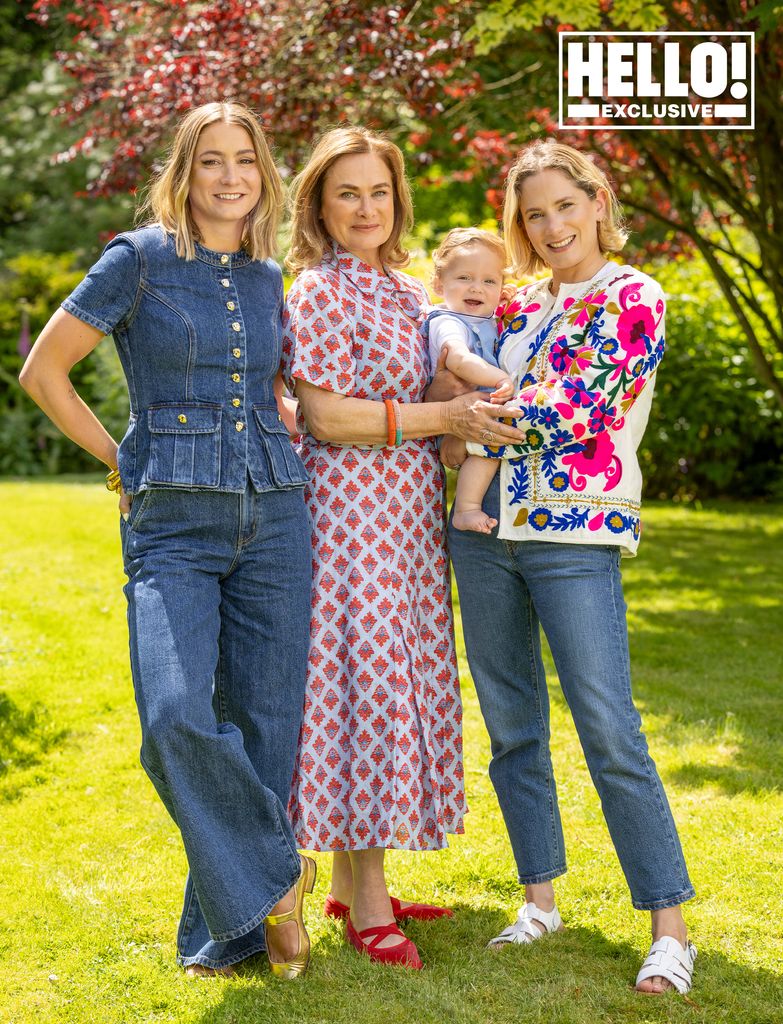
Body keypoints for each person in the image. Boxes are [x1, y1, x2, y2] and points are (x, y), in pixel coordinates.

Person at [19, 101, 317, 979]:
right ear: (182, 174)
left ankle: (228, 934)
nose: (231, 178)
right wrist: (120, 460)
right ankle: (279, 873)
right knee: (174, 714)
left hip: (274, 512)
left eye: (247, 162)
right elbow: (45, 371)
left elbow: (267, 389)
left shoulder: (267, 278)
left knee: (265, 724)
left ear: (263, 176)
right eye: (211, 161)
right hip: (172, 520)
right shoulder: (136, 259)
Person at [442, 140, 697, 995]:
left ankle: (669, 928)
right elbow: (467, 389)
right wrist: (465, 417)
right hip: (482, 537)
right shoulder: (516, 309)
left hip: (573, 536)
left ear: (595, 200)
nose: (550, 227)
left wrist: (470, 416)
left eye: (562, 206)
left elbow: (580, 411)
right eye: (533, 214)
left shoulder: (634, 296)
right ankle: (539, 900)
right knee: (512, 727)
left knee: (607, 727)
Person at [281, 126, 526, 969]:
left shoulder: (403, 289)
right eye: (346, 192)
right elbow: (328, 417)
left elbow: (418, 387)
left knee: (394, 678)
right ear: (318, 202)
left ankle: (354, 886)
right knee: (364, 685)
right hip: (347, 516)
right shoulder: (316, 290)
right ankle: (368, 904)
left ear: (398, 200)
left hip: (410, 516)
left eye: (378, 191)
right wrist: (445, 418)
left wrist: (470, 395)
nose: (365, 207)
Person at [424, 228, 515, 534]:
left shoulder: (484, 319)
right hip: (460, 411)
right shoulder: (446, 321)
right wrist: (501, 377)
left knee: (491, 443)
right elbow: (459, 359)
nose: (477, 288)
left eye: (489, 281)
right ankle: (466, 508)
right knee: (489, 445)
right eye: (464, 278)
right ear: (439, 284)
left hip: (480, 406)